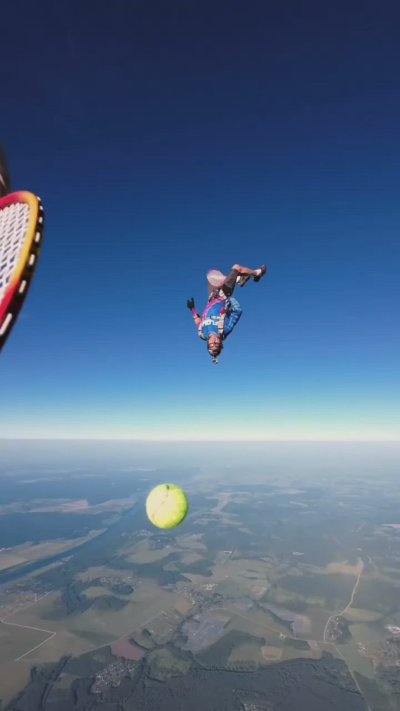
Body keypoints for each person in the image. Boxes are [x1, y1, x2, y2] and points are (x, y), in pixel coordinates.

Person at [187, 264, 267, 363]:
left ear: (207, 343)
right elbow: (237, 311)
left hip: (211, 297)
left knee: (212, 277)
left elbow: (199, 322)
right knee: (236, 268)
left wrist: (193, 309)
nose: (214, 341)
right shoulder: (224, 330)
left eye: (212, 344)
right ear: (221, 343)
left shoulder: (202, 333)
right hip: (224, 295)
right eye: (217, 344)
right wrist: (229, 298)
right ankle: (257, 273)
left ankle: (240, 279)